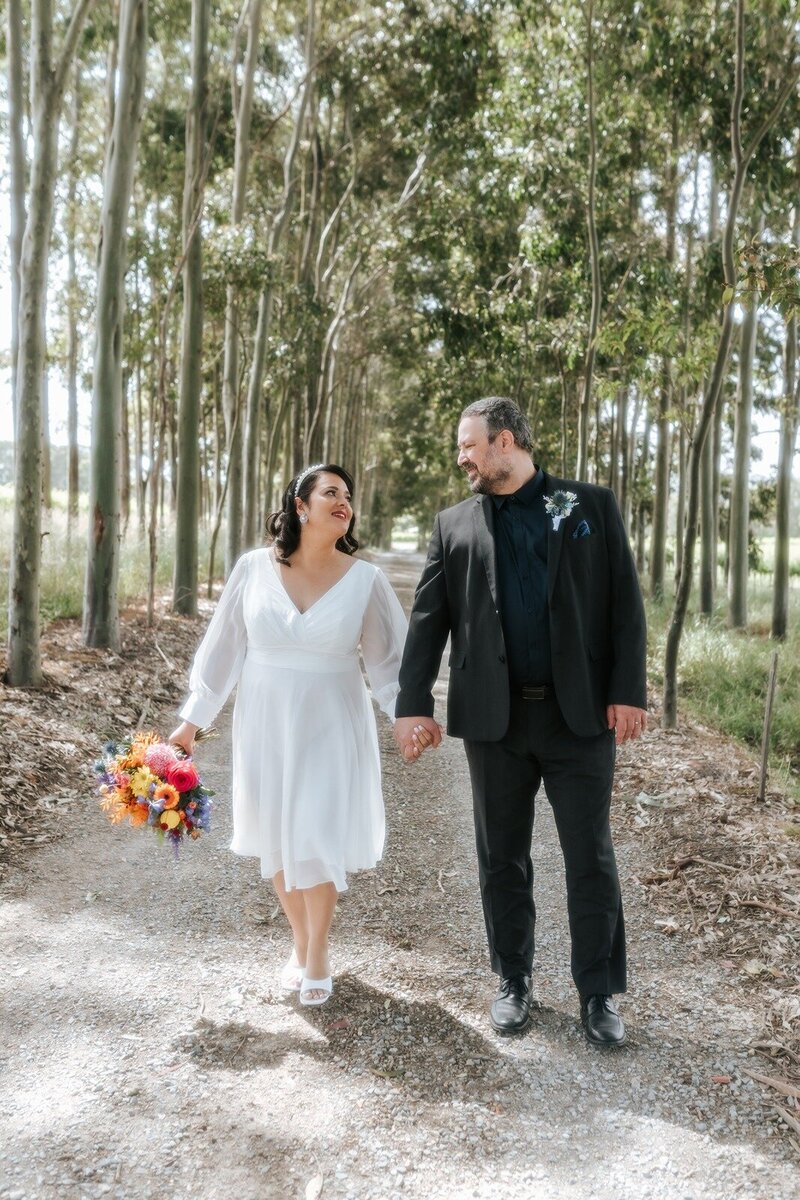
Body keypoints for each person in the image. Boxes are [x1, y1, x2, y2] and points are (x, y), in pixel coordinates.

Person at [393, 398, 647, 1045]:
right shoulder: (455, 524)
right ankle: (513, 980)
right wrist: (413, 703)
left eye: (469, 444)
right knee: (500, 857)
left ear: (504, 442)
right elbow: (429, 620)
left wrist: (628, 690)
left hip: (578, 718)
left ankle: (599, 995)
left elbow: (624, 603)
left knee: (588, 855)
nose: (462, 457)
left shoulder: (587, 506)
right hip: (493, 722)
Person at [170, 464, 427, 1007]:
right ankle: (301, 941)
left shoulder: (366, 580)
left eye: (349, 497)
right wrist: (191, 724)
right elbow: (222, 651)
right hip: (265, 717)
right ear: (300, 506)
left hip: (332, 717)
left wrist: (406, 717)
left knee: (316, 829)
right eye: (331, 492)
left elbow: (389, 665)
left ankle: (317, 955)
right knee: (277, 835)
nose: (344, 503)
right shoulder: (252, 569)